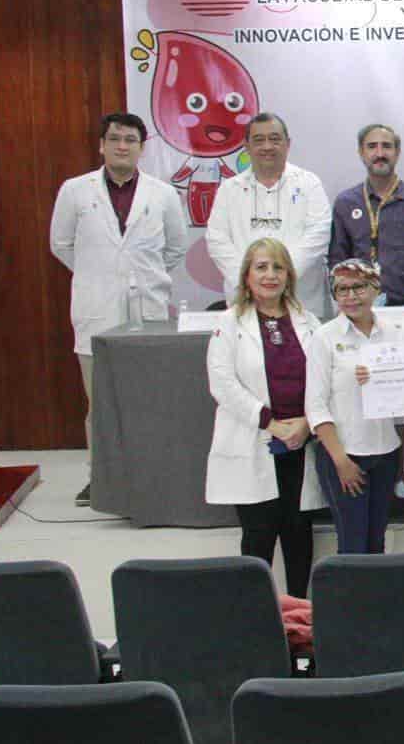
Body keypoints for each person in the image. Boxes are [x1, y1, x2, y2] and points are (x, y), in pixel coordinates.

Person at [50, 112, 187, 506]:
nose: (122, 146)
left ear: (142, 148)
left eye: (130, 139)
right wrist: (101, 273)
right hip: (97, 308)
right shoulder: (75, 190)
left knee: (151, 398)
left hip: (149, 309)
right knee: (99, 402)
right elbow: (61, 244)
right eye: (114, 139)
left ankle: (154, 475)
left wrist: (138, 274)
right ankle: (100, 479)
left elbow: (175, 248)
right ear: (101, 145)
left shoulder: (162, 194)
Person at [204, 239, 325, 597]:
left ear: (289, 276)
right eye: (261, 267)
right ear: (246, 276)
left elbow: (325, 378)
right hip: (256, 441)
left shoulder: (309, 322)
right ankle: (256, 626)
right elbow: (222, 384)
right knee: (257, 540)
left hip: (302, 444)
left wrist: (306, 423)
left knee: (299, 538)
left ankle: (303, 623)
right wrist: (271, 423)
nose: (270, 275)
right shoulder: (229, 323)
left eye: (278, 267)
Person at [306, 258, 404, 554]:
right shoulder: (324, 338)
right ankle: (349, 602)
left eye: (359, 287)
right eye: (342, 290)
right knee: (352, 542)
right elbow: (315, 404)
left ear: (376, 288)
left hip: (386, 452)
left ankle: (375, 602)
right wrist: (341, 461)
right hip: (344, 455)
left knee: (377, 541)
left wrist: (388, 378)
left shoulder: (395, 332)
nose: (350, 296)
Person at [206, 113, 330, 313]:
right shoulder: (230, 189)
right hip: (246, 298)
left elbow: (318, 234)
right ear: (246, 146)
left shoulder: (309, 183)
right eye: (258, 140)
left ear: (287, 144)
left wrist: (283, 275)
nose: (267, 147)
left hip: (301, 299)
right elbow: (217, 240)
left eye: (274, 139)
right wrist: (249, 279)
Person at [328, 123, 404, 306]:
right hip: (358, 304)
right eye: (372, 146)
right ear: (361, 152)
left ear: (397, 152)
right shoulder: (345, 203)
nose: (380, 154)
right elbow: (337, 258)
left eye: (386, 146)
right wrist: (345, 296)